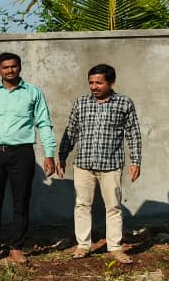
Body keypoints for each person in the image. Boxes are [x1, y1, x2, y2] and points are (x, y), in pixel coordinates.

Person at [58, 64, 142, 265]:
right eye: (91, 82)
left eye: (98, 82)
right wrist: (62, 156)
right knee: (82, 205)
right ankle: (83, 245)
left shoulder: (123, 103)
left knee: (113, 206)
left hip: (111, 164)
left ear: (111, 82)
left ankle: (114, 247)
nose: (94, 86)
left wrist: (136, 161)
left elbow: (133, 134)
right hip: (83, 164)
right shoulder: (81, 103)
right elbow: (71, 132)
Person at [0, 52, 56, 263]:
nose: (10, 70)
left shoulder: (33, 92)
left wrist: (49, 154)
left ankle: (16, 247)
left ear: (19, 67)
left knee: (21, 201)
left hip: (22, 153)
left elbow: (44, 123)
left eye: (14, 66)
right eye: (6, 67)